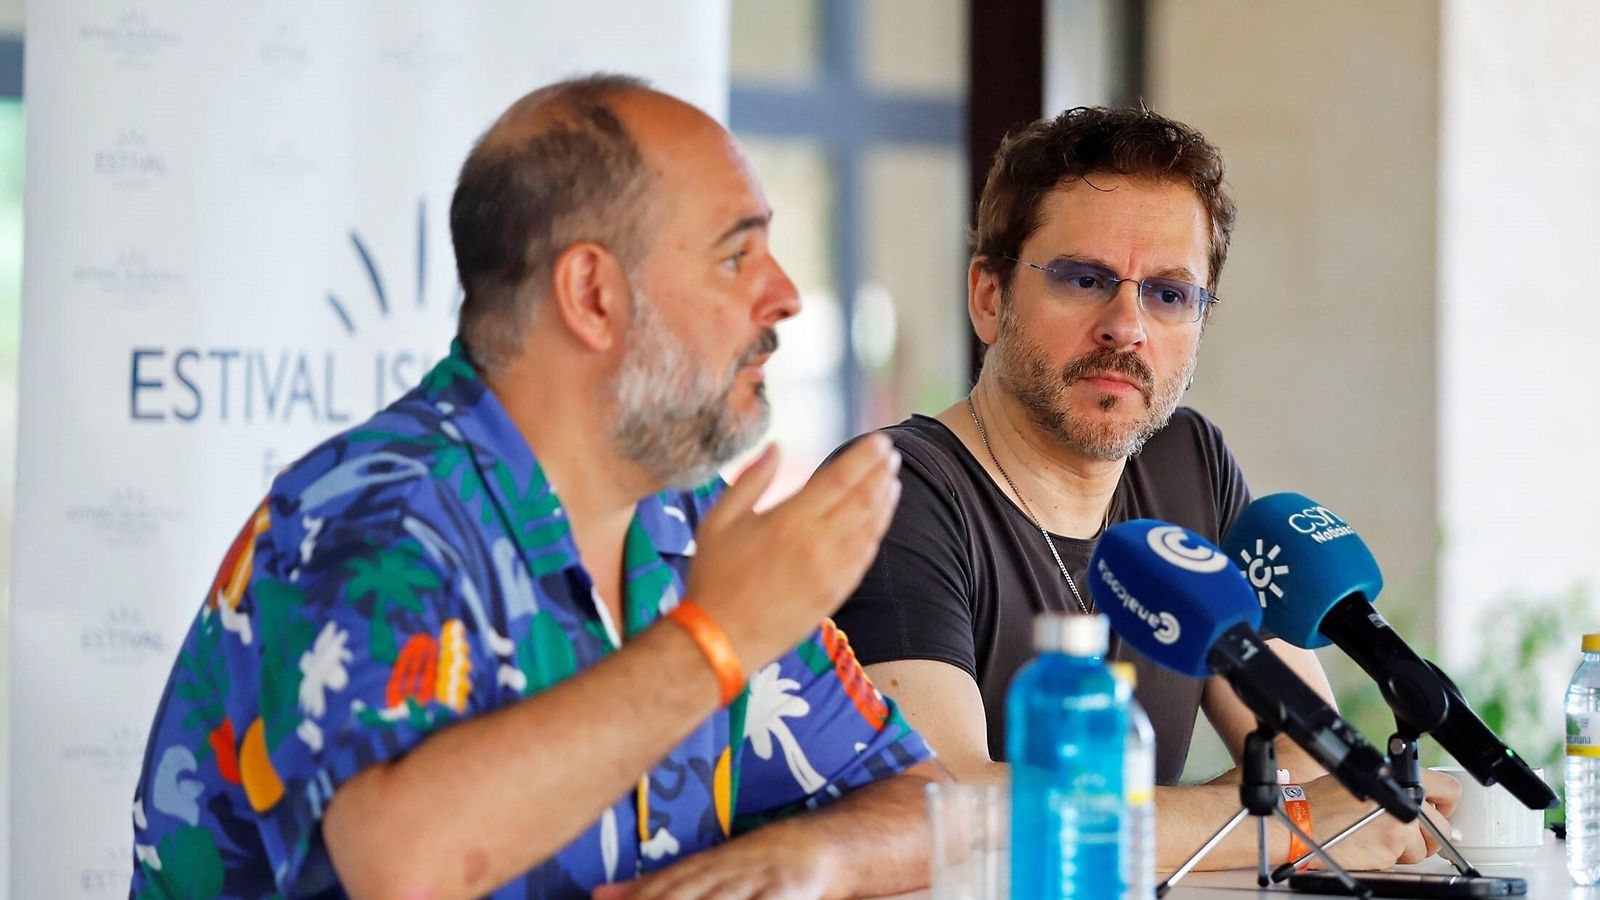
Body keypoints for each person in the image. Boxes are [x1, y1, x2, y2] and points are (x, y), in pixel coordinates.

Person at [129, 74, 942, 900]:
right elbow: (400, 867)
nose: (786, 297)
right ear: (592, 295)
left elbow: (930, 802)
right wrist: (713, 641)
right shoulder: (372, 515)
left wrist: (816, 858)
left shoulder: (685, 517)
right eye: (738, 255)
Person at [829, 105, 1458, 871]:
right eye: (1084, 279)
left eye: (1168, 293)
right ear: (989, 297)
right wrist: (1275, 820)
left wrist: (1293, 807)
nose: (1126, 326)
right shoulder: (899, 492)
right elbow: (946, 810)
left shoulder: (1187, 464)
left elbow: (1316, 756)